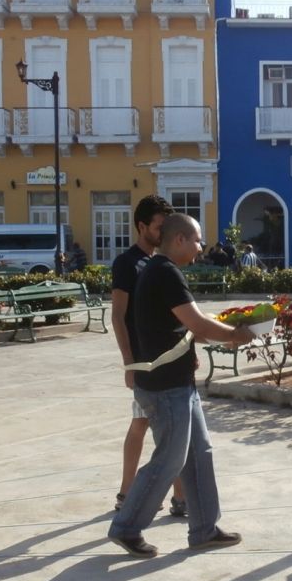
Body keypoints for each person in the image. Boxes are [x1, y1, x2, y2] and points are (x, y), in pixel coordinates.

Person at [108, 213, 254, 558]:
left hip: (176, 382)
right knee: (169, 461)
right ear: (179, 240)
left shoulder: (157, 271)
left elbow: (187, 329)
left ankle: (204, 529)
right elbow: (196, 321)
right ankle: (126, 527)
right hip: (165, 386)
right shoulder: (165, 273)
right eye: (197, 240)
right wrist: (236, 335)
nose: (201, 247)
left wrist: (226, 334)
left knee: (198, 455)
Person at [110, 195, 188, 517]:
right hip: (145, 361)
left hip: (167, 360)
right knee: (156, 427)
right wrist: (129, 363)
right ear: (142, 226)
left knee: (159, 426)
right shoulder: (127, 263)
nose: (163, 232)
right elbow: (118, 315)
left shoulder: (161, 263)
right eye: (159, 226)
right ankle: (130, 494)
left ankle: (175, 497)